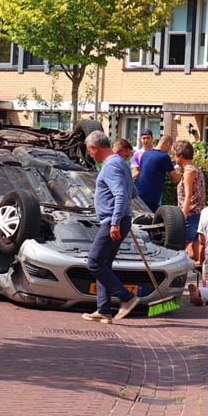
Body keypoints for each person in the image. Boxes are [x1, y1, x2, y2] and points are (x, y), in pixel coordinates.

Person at [83, 131, 141, 324]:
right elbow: (132, 192)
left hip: (112, 222)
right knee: (104, 264)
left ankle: (126, 297)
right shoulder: (121, 163)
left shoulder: (110, 165)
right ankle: (104, 310)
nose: (90, 155)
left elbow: (121, 195)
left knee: (94, 262)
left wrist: (115, 221)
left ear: (95, 148)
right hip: (119, 219)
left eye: (89, 151)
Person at [173, 139, 206, 263]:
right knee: (195, 254)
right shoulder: (196, 169)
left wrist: (182, 216)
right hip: (199, 213)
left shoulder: (189, 172)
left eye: (175, 155)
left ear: (181, 155)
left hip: (191, 214)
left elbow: (188, 195)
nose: (174, 158)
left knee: (178, 249)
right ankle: (204, 275)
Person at [135, 134, 179, 213]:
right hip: (151, 197)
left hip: (139, 194)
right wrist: (177, 167)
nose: (169, 150)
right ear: (168, 144)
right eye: (170, 148)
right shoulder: (164, 157)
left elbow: (153, 166)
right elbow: (176, 179)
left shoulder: (146, 154)